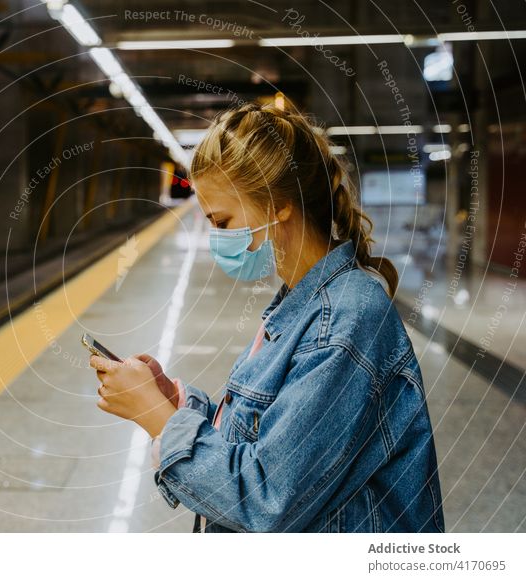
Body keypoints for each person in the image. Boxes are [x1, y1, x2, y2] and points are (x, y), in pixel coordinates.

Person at [89, 102, 445, 533]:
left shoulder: (345, 323)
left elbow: (268, 500)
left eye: (223, 221)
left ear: (279, 205)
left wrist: (159, 421)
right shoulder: (298, 307)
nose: (217, 238)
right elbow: (268, 442)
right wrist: (178, 406)